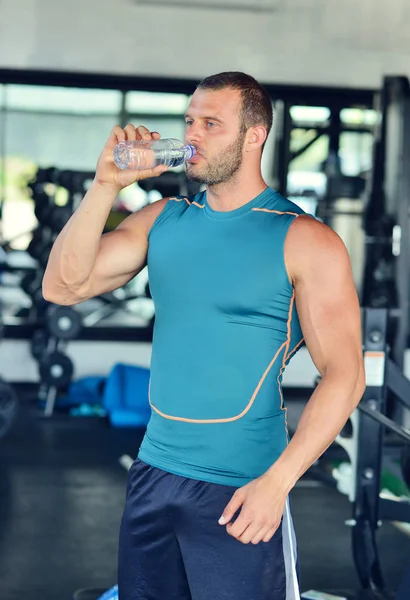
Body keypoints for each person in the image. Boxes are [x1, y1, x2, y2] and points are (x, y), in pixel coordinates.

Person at [42, 72, 366, 600]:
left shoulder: (306, 240)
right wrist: (104, 186)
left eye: (212, 124)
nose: (192, 135)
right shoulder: (163, 219)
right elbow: (62, 285)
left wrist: (277, 482)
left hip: (243, 485)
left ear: (254, 135)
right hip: (153, 471)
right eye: (190, 121)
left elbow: (345, 375)